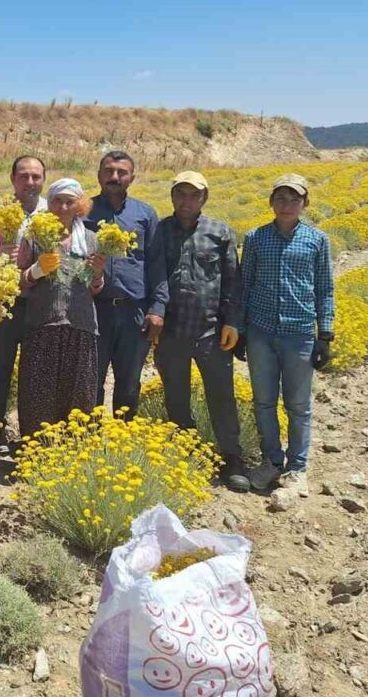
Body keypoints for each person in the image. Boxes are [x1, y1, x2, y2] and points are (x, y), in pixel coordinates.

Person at [154, 171, 251, 493]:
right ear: (172, 197)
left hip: (211, 332)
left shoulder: (219, 232)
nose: (186, 200)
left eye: (193, 194)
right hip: (171, 333)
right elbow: (152, 276)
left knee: (221, 397)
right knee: (176, 398)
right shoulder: (160, 231)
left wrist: (232, 322)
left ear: (204, 198)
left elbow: (233, 283)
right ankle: (186, 453)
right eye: (180, 193)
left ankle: (232, 458)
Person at [240, 174, 335, 498]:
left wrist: (325, 334)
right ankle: (272, 461)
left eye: (294, 199)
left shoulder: (317, 240)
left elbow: (325, 288)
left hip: (299, 333)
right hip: (261, 332)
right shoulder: (255, 238)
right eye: (280, 198)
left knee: (298, 405)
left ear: (304, 204)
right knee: (264, 402)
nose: (287, 205)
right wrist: (239, 330)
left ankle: (297, 468)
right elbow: (244, 285)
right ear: (271, 202)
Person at [15, 178, 105, 436]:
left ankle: (71, 454)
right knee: (39, 392)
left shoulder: (91, 239)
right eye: (57, 200)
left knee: (78, 392)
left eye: (70, 201)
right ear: (49, 203)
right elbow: (19, 283)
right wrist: (36, 271)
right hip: (43, 325)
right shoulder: (34, 236)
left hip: (81, 325)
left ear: (81, 206)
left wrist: (97, 274)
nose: (63, 207)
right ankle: (36, 453)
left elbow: (95, 288)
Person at [84, 151, 168, 419]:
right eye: (108, 171)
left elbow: (156, 264)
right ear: (99, 174)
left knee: (129, 382)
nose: (114, 177)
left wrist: (157, 309)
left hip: (134, 312)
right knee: (90, 379)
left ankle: (123, 435)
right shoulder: (84, 210)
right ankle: (90, 439)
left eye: (121, 172)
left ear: (132, 177)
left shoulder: (144, 214)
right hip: (93, 309)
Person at [0, 155, 48, 454]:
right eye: (24, 176)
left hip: (41, 304)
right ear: (13, 179)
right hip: (5, 302)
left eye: (36, 177)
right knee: (0, 367)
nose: (30, 182)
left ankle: (32, 432)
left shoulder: (53, 210)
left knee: (35, 370)